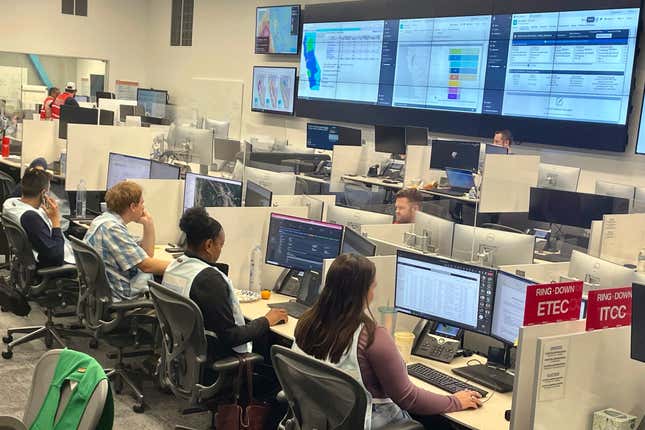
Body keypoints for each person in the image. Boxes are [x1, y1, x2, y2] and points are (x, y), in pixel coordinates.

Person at [294, 254, 482, 429]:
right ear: (362, 292)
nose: (373, 292)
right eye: (372, 287)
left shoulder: (306, 322)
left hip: (324, 420)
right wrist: (455, 401)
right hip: (370, 423)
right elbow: (409, 398)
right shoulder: (371, 336)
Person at [162, 207, 288, 358]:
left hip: (182, 353)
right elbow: (231, 336)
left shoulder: (175, 266)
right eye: (220, 245)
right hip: (210, 360)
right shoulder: (209, 280)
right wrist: (267, 320)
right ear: (208, 245)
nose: (221, 250)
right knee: (272, 343)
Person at [84, 181, 169, 302]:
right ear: (133, 206)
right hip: (119, 296)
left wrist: (148, 223)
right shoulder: (112, 229)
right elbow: (146, 265)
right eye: (142, 203)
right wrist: (180, 266)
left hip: (103, 294)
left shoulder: (104, 220)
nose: (143, 207)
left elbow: (147, 255)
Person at [2, 168, 75, 267]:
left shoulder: (10, 203)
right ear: (43, 194)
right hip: (63, 263)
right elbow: (56, 257)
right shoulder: (30, 217)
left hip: (32, 259)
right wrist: (55, 221)